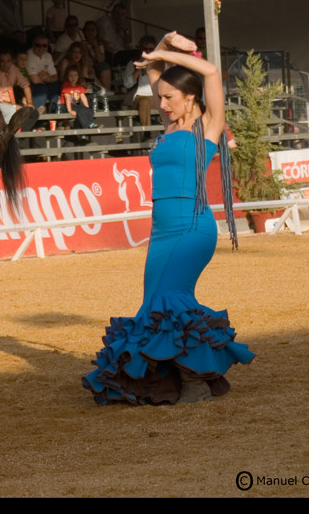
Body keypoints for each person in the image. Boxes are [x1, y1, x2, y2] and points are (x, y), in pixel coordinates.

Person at [83, 31, 250, 405]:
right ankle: (176, 378)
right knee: (155, 304)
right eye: (160, 97)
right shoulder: (169, 122)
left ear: (189, 97)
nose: (162, 103)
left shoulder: (207, 126)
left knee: (172, 298)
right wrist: (164, 43)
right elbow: (154, 68)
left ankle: (195, 381)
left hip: (193, 227)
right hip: (162, 230)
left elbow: (208, 71)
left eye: (169, 97)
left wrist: (163, 52)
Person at [122, 36, 158, 131]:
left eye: (150, 49)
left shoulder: (160, 64)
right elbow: (127, 84)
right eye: (145, 49)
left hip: (156, 97)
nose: (147, 51)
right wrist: (138, 70)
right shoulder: (132, 64)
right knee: (144, 102)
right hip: (137, 98)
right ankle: (147, 132)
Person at [0, 49, 32, 124]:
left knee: (32, 113)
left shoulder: (13, 69)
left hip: (12, 104)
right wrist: (15, 107)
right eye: (2, 61)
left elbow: (26, 85)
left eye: (8, 61)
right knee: (14, 111)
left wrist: (30, 103)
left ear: (12, 61)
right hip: (0, 106)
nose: (5, 64)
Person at [24, 34, 60, 112]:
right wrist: (48, 78)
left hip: (45, 84)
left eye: (44, 45)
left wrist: (47, 78)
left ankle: (54, 114)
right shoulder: (29, 55)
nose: (41, 48)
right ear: (33, 45)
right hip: (30, 86)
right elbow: (34, 80)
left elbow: (55, 77)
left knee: (57, 86)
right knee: (41, 88)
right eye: (38, 45)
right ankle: (36, 115)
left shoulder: (48, 55)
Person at [60, 65, 97, 132]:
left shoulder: (79, 86)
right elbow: (67, 98)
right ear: (67, 76)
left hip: (76, 105)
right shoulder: (66, 85)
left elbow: (83, 97)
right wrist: (70, 110)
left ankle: (89, 125)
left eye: (75, 75)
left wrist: (87, 107)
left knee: (88, 110)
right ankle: (88, 126)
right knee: (81, 111)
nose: (73, 78)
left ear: (78, 76)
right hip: (66, 106)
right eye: (70, 76)